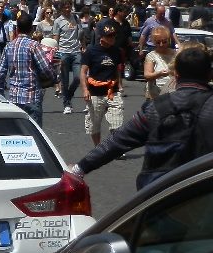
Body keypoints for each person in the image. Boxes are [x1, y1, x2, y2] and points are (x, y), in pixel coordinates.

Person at [71, 45, 213, 189]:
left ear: (175, 74)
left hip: (158, 192)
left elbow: (118, 141)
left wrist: (79, 169)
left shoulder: (156, 108)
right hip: (202, 192)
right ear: (209, 75)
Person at [0, 12, 52, 125]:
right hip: (32, 96)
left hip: (14, 97)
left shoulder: (9, 46)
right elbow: (46, 69)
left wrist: (0, 93)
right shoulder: (34, 45)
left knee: (17, 133)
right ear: (31, 29)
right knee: (34, 135)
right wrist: (53, 79)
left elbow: (0, 73)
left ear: (17, 29)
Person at [80, 23, 124, 148]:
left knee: (117, 122)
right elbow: (83, 72)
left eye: (114, 36)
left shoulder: (117, 51)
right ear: (102, 37)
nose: (112, 39)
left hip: (112, 91)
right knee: (94, 124)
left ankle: (115, 147)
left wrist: (120, 85)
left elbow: (117, 70)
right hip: (95, 92)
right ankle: (98, 147)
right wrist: (85, 90)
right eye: (109, 36)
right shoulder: (91, 51)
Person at [52, 1, 83, 114]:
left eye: (69, 7)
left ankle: (68, 96)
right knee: (65, 81)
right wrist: (56, 54)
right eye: (65, 7)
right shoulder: (58, 21)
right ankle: (67, 104)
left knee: (77, 78)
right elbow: (56, 39)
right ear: (61, 9)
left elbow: (81, 33)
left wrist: (83, 46)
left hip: (76, 51)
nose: (67, 9)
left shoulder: (75, 17)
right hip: (63, 52)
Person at [143, 26, 177, 100]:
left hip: (173, 92)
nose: (161, 44)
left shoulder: (176, 54)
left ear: (169, 40)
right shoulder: (151, 56)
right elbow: (147, 75)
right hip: (156, 94)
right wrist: (159, 73)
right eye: (158, 42)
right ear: (154, 42)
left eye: (164, 42)